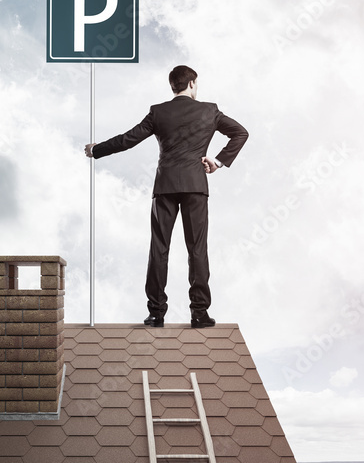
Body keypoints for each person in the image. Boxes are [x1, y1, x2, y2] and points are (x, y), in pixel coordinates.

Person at [84, 65, 248, 328]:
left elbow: (129, 139)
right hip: (196, 185)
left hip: (165, 186)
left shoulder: (158, 112)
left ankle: (156, 313)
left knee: (159, 249)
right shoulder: (209, 110)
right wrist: (217, 161)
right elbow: (241, 132)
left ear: (173, 86)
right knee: (197, 250)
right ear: (192, 83)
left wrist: (97, 150)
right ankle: (199, 313)